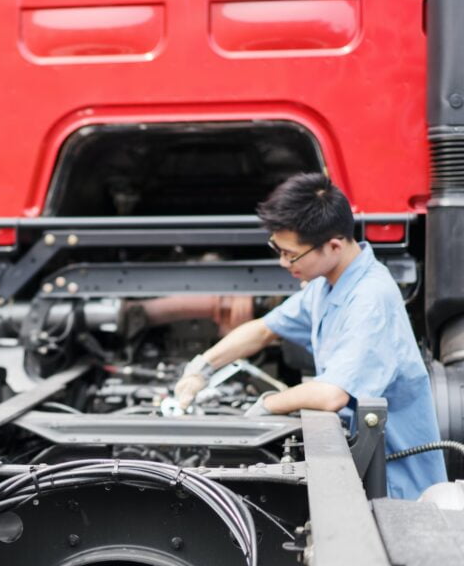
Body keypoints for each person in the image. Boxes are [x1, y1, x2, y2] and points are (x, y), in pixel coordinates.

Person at [174, 172, 447, 499]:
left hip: (395, 487)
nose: (283, 262)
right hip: (359, 463)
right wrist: (200, 369)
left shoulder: (371, 299)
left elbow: (332, 395)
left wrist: (266, 404)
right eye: (278, 248)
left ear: (333, 245)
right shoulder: (327, 283)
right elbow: (263, 330)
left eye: (291, 254)